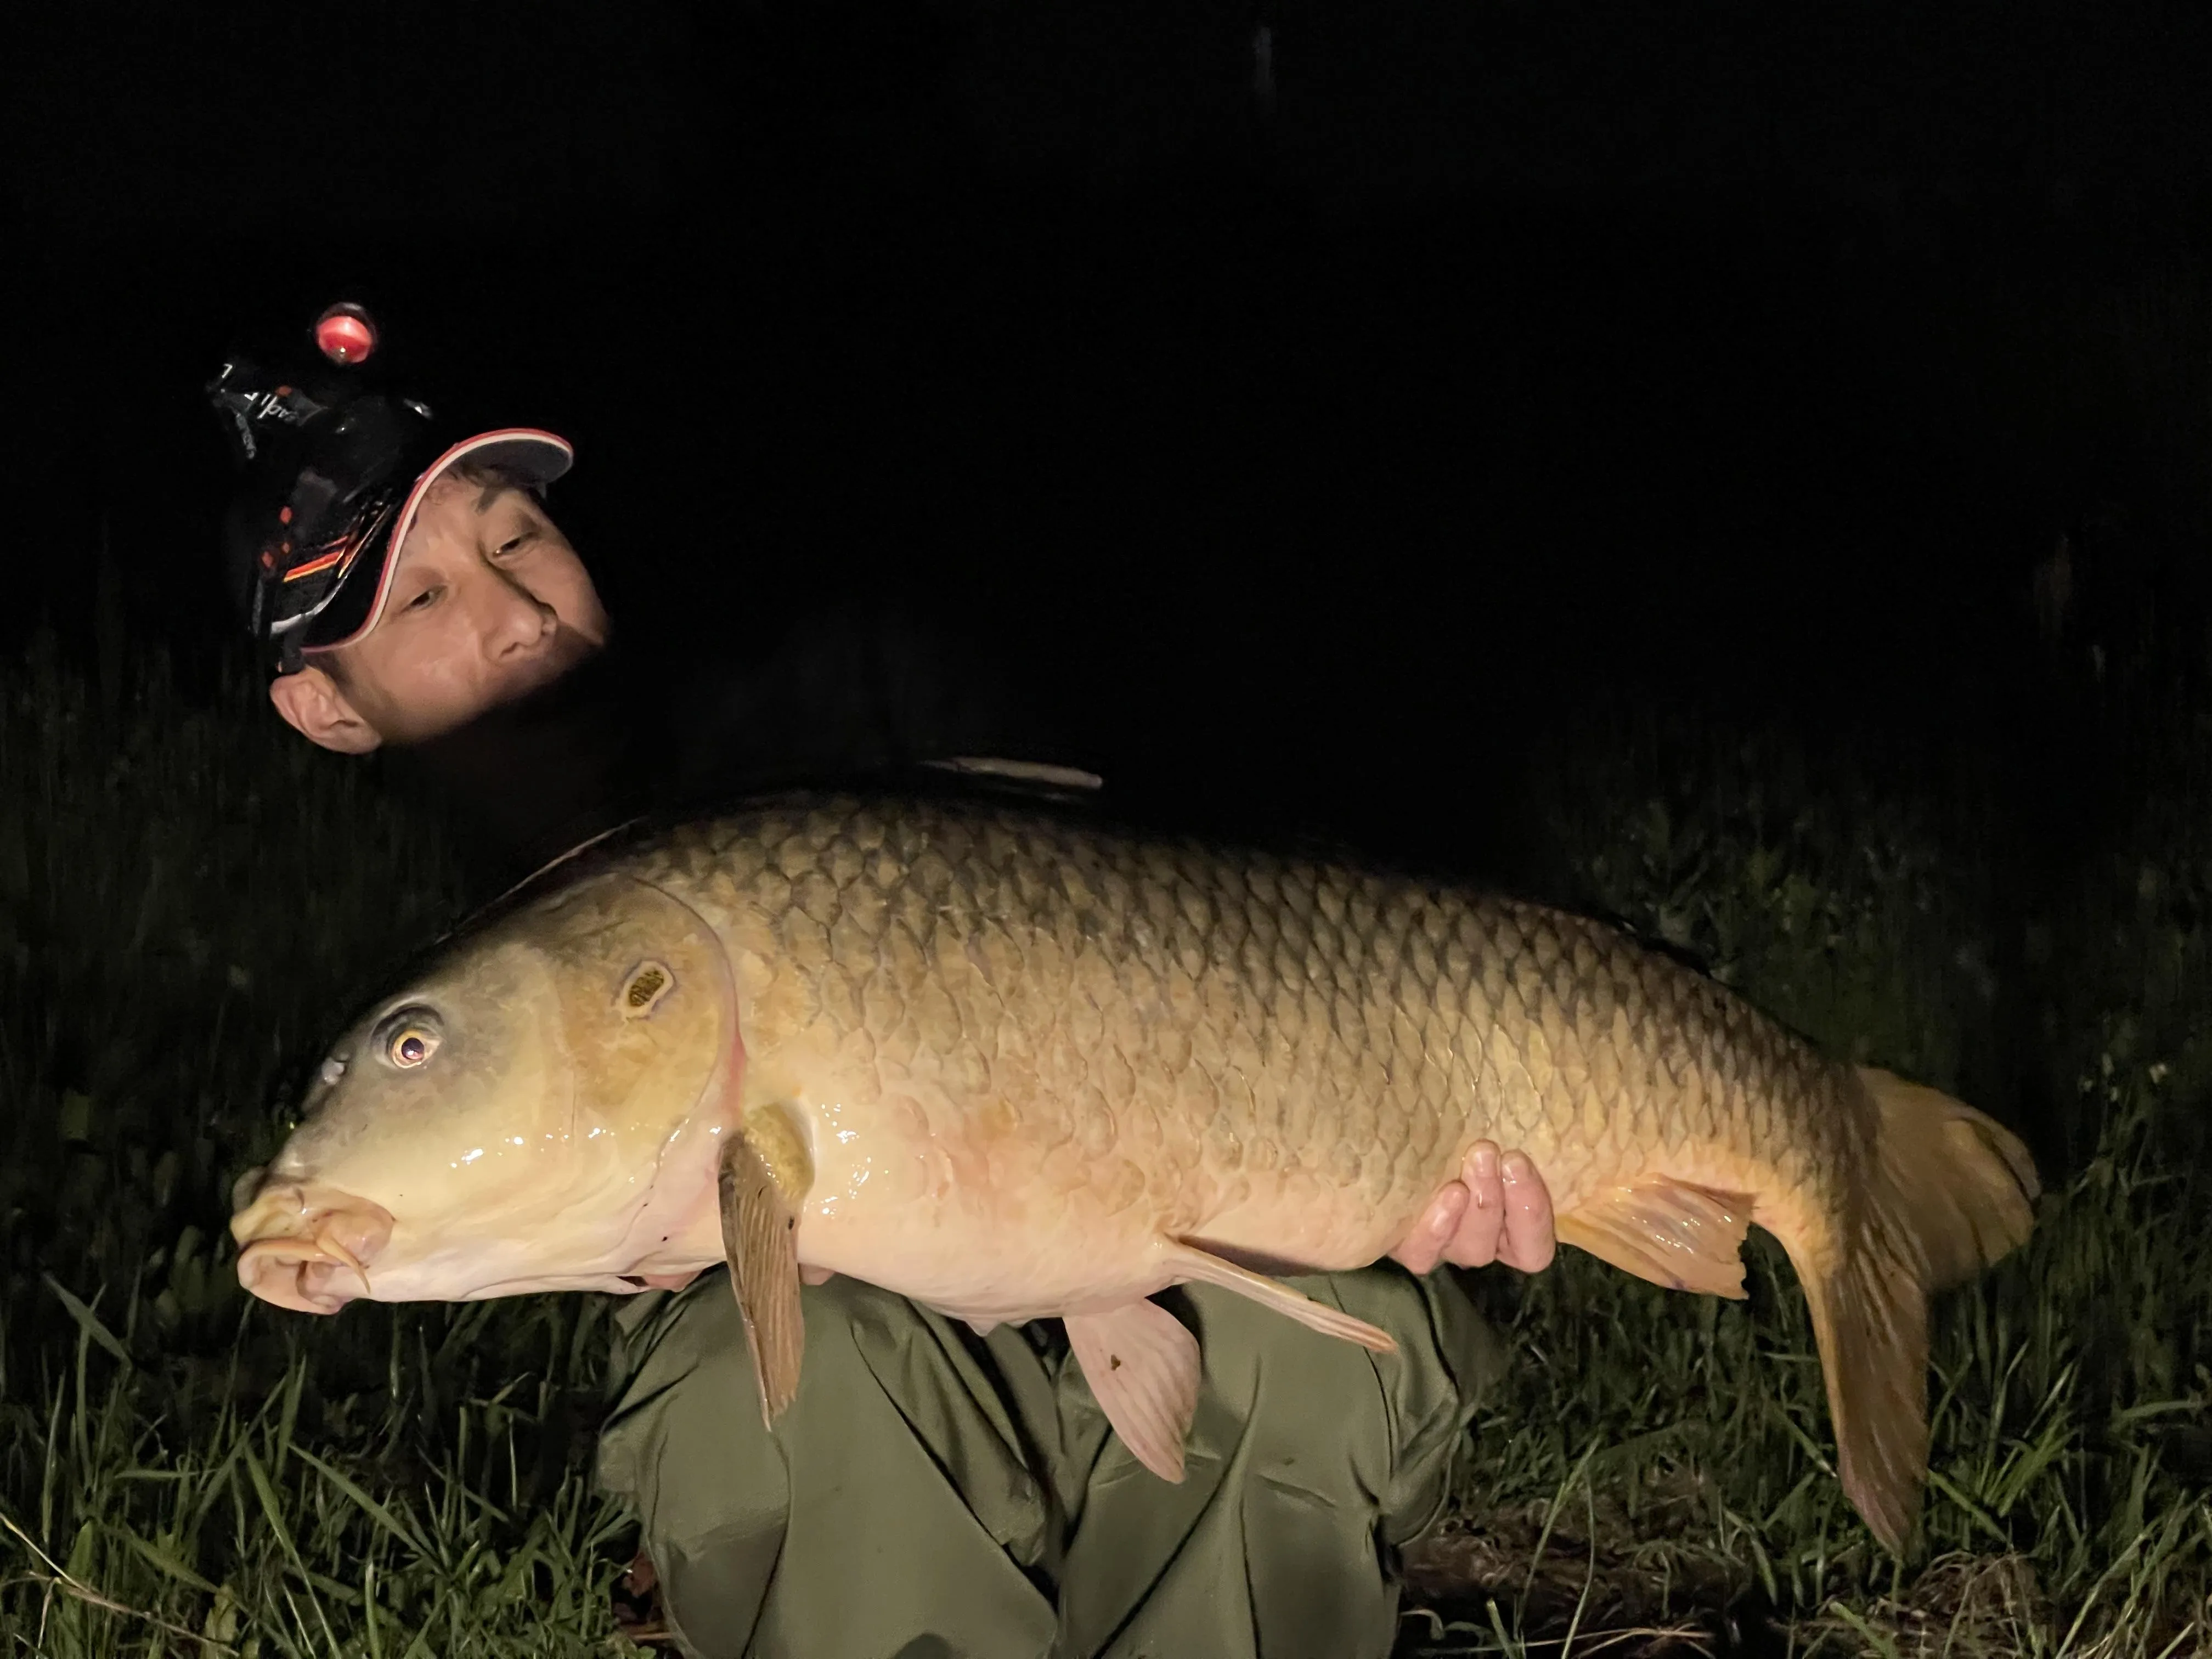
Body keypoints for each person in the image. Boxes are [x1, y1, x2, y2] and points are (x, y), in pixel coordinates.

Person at [208, 306, 1559, 1659]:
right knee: (777, 1381)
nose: (516, 615)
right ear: (326, 707)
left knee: (1321, 1336)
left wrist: (1409, 1163)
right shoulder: (502, 937)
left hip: (1164, 1299)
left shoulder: (847, 693)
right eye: (425, 598)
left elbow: (1219, 943)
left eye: (517, 538)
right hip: (938, 1407)